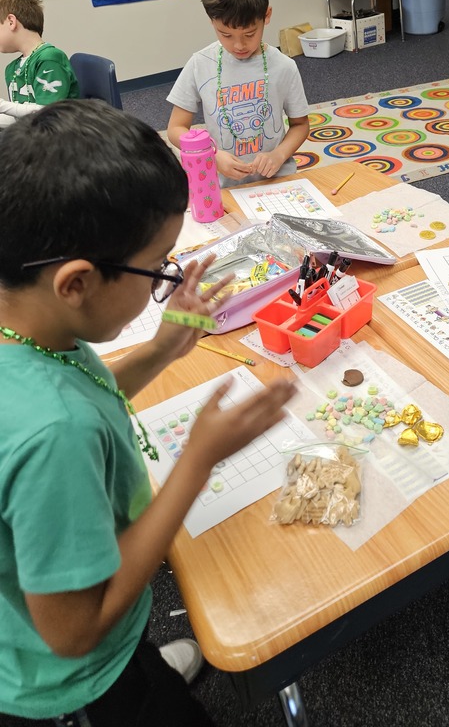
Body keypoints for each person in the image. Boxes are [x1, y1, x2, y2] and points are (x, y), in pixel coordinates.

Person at [0, 100, 296, 726]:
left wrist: (161, 348)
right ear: (75, 283)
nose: (165, 276)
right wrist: (196, 462)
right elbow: (75, 631)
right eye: (155, 266)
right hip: (77, 684)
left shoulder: (27, 333)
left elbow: (82, 386)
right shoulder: (55, 434)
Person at [166, 0, 309, 188]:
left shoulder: (283, 66)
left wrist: (279, 155)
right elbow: (175, 129)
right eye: (226, 35)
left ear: (267, 15)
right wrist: (211, 154)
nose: (239, 45)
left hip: (278, 182)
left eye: (250, 34)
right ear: (212, 21)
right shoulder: (200, 64)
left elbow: (300, 125)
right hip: (224, 185)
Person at [0, 0, 79, 105]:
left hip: (60, 123)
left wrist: (3, 106)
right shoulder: (12, 69)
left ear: (11, 22)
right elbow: (18, 116)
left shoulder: (49, 59)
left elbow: (46, 113)